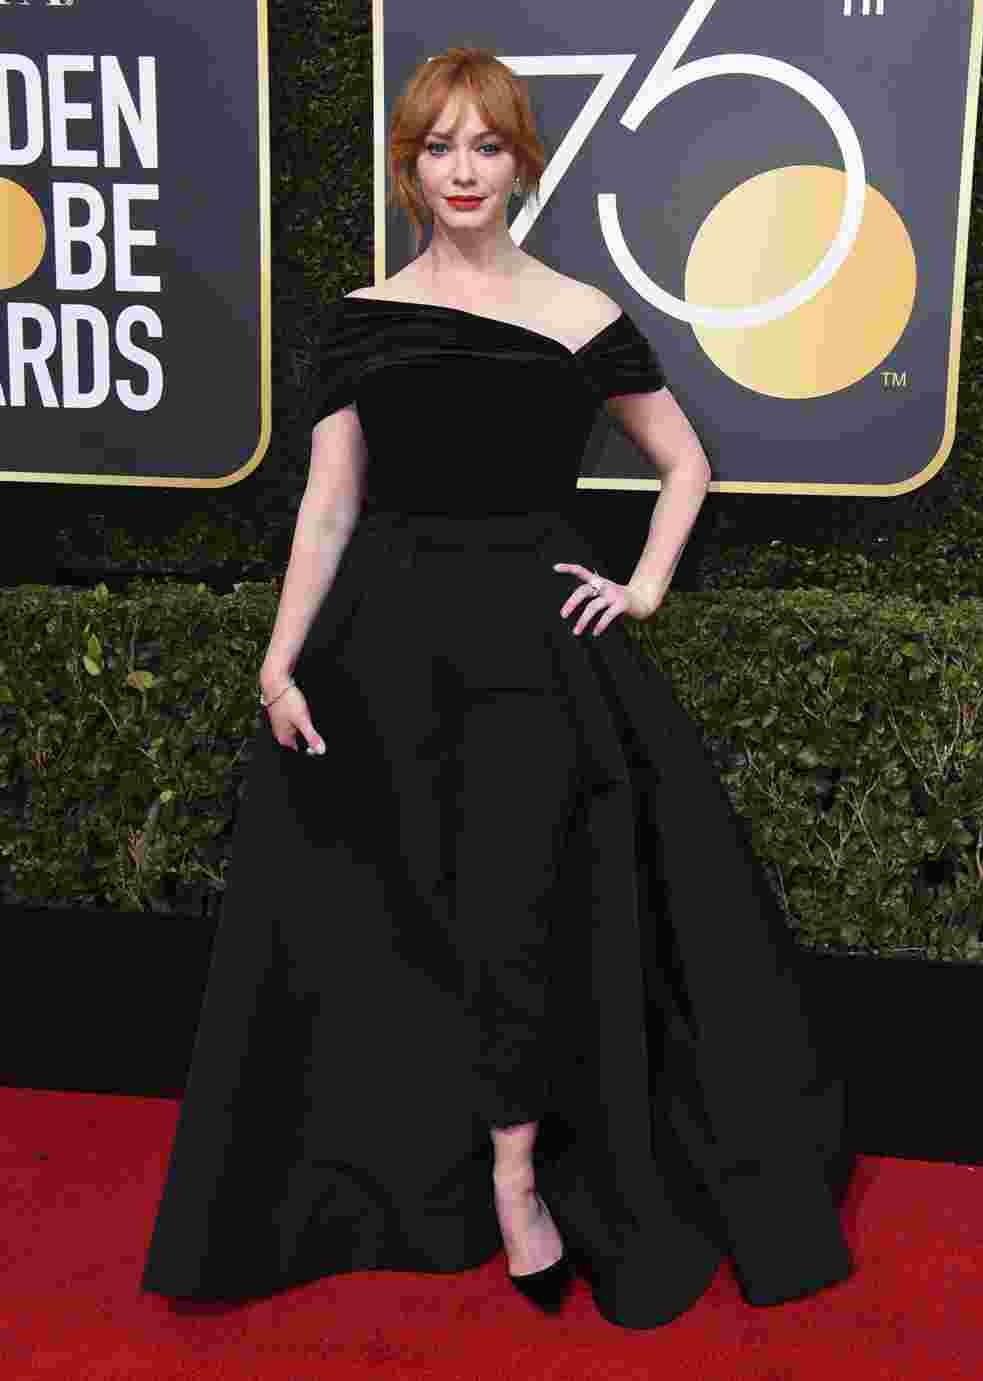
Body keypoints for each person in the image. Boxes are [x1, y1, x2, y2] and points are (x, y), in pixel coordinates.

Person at [140, 46, 856, 1329]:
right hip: (383, 651)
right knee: (404, 913)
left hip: (534, 651)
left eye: (485, 147)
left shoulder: (581, 314)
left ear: (522, 163)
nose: (462, 171)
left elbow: (683, 463)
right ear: (408, 167)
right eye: (437, 148)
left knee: (525, 907)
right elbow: (329, 503)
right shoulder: (364, 314)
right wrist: (279, 655)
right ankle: (406, 1175)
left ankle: (519, 1178)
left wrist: (639, 586)